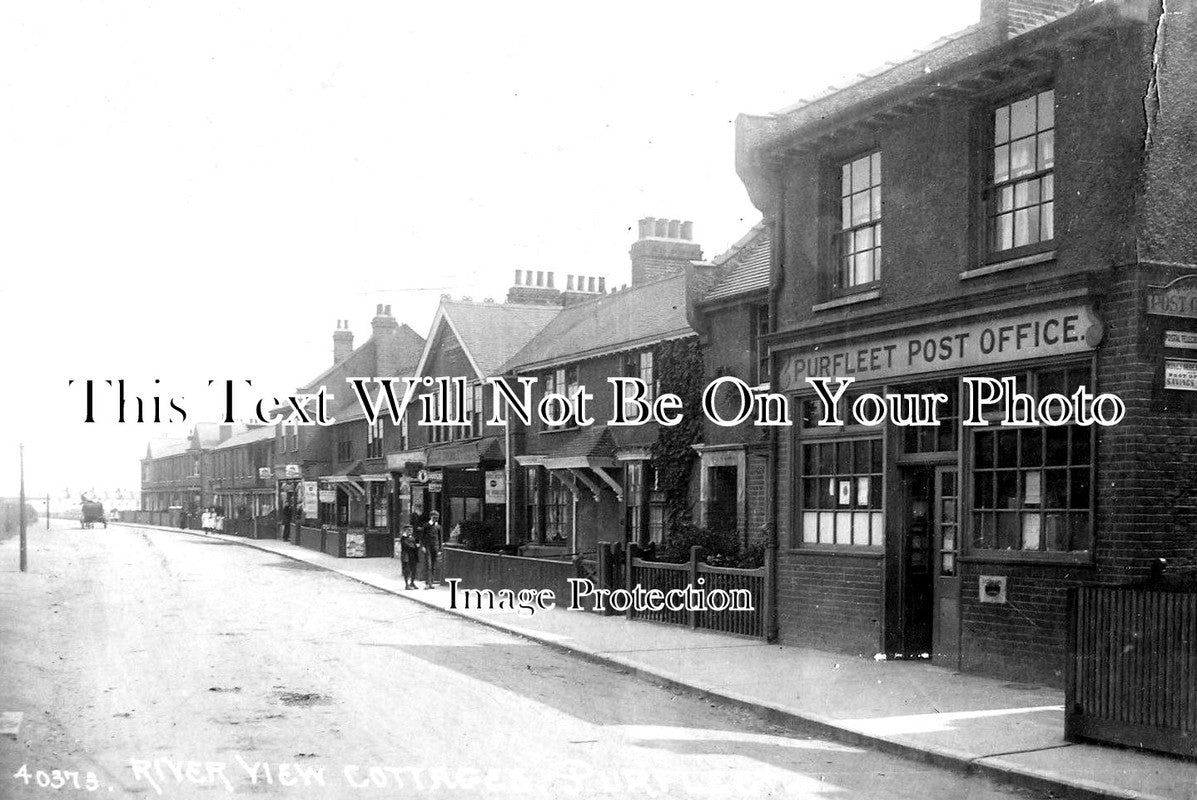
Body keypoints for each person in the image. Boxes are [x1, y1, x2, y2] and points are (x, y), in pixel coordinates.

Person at [418, 510, 442, 589]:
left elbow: (440, 538)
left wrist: (439, 549)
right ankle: (427, 583)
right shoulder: (426, 525)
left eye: (437, 517)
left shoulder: (438, 527)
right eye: (434, 517)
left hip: (435, 547)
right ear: (431, 517)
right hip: (427, 547)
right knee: (428, 564)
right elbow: (422, 537)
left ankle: (431, 582)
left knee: (433, 565)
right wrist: (423, 546)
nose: (436, 519)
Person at [398, 525, 420, 590]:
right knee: (407, 571)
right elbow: (408, 545)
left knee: (414, 570)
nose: (410, 531)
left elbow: (415, 546)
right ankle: (406, 584)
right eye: (409, 530)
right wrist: (414, 546)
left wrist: (415, 546)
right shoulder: (403, 538)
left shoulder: (412, 537)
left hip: (413, 555)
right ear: (405, 531)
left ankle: (412, 583)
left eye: (411, 530)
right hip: (406, 556)